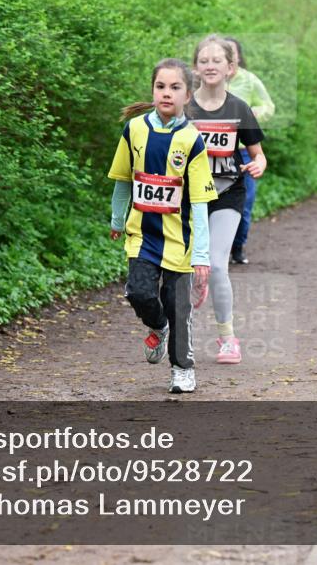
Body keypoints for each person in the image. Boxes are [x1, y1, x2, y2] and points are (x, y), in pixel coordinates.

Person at [108, 58, 216, 394]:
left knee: (177, 305)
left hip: (179, 240)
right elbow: (123, 179)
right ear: (153, 90)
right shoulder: (135, 129)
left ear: (188, 95)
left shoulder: (192, 140)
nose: (166, 93)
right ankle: (158, 325)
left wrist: (201, 255)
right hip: (142, 234)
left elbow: (199, 202)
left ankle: (182, 369)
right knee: (138, 293)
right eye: (160, 86)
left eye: (175, 87)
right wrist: (116, 218)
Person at [188, 35, 266, 365]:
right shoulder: (183, 108)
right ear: (195, 68)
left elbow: (258, 155)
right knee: (184, 268)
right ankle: (195, 282)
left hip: (227, 192)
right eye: (203, 60)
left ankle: (228, 338)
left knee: (218, 264)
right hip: (187, 198)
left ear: (230, 68)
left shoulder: (239, 108)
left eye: (216, 60)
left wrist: (258, 164)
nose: (210, 65)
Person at [226, 37, 274, 265]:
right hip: (214, 152)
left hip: (245, 151)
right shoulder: (208, 82)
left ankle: (238, 247)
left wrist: (254, 113)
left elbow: (269, 106)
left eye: (231, 53)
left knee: (245, 203)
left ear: (237, 56)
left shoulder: (249, 81)